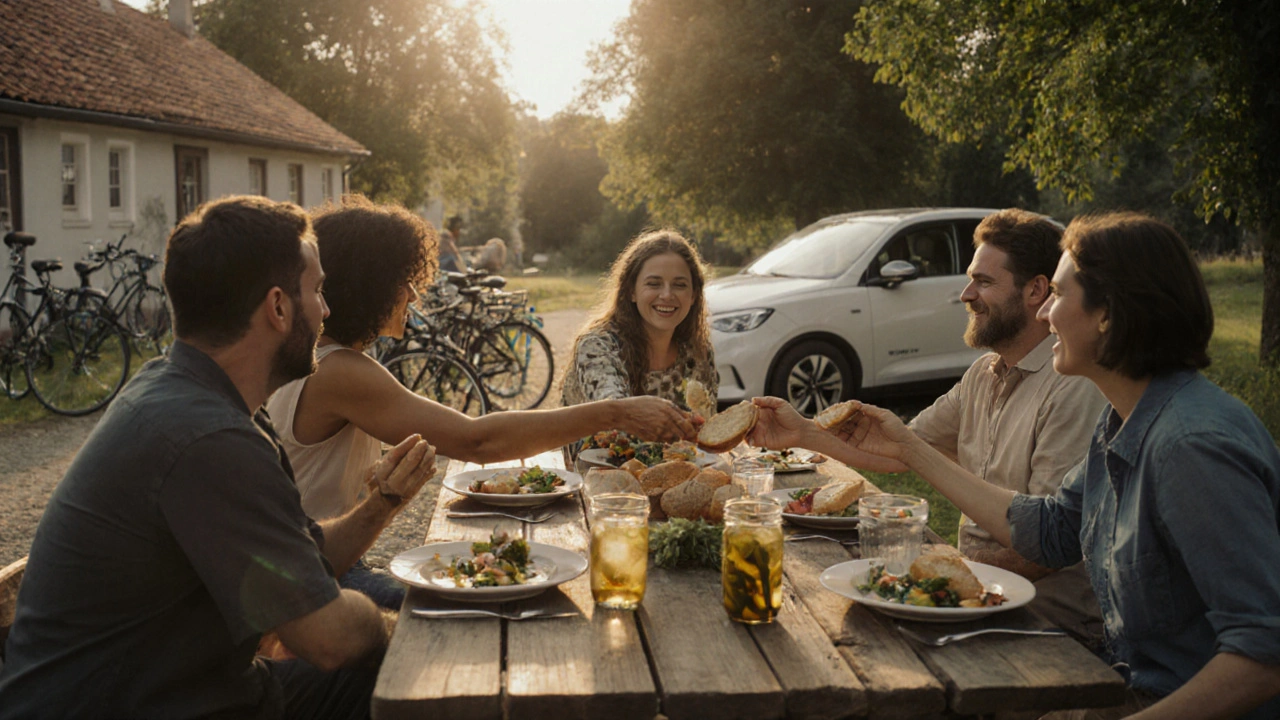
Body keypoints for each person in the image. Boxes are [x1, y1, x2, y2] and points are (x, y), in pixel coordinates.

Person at [0, 196, 437, 720]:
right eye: (317, 291)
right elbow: (328, 639)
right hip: (141, 705)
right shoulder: (210, 437)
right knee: (418, 663)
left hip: (184, 686)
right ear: (278, 308)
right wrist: (401, 630)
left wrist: (381, 503)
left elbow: (301, 554)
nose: (327, 310)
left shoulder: (192, 393)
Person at [832, 213, 1280, 719]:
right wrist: (910, 449)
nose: (1043, 314)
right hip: (1122, 682)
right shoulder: (1122, 421)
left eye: (1058, 295)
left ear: (1107, 313)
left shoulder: (1192, 446)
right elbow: (1050, 527)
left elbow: (1262, 654)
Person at [266, 198, 698, 607]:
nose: (413, 297)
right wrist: (614, 412)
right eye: (405, 282)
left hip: (320, 560)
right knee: (485, 606)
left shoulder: (333, 359)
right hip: (317, 574)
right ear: (371, 286)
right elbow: (477, 441)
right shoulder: (338, 369)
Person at [756, 208, 1107, 647]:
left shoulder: (1074, 388)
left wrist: (945, 567)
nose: (965, 294)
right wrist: (803, 433)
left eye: (984, 282)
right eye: (969, 279)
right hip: (968, 599)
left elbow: (1046, 548)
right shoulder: (984, 373)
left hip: (1046, 627)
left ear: (1036, 290)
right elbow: (900, 449)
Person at [561, 230, 719, 455]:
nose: (666, 295)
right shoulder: (597, 346)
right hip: (598, 479)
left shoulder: (698, 352)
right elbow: (615, 415)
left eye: (680, 285)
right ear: (631, 292)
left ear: (694, 295)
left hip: (677, 475)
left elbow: (707, 433)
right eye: (654, 284)